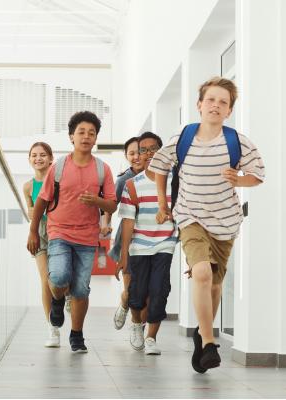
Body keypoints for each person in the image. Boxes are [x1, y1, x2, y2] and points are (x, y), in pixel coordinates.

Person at [149, 77, 265, 372]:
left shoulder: (237, 141)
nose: (216, 105)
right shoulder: (183, 137)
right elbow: (159, 168)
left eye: (223, 102)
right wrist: (164, 204)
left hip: (225, 222)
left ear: (229, 111)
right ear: (199, 105)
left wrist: (239, 179)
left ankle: (203, 337)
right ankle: (211, 342)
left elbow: (258, 175)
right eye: (211, 100)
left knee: (214, 285)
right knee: (201, 273)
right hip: (190, 217)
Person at [27, 111, 117, 352]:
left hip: (87, 237)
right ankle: (57, 300)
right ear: (71, 137)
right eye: (81, 132)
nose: (86, 136)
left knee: (80, 288)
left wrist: (96, 202)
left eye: (91, 133)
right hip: (58, 232)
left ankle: (76, 335)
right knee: (57, 277)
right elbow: (41, 202)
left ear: (96, 138)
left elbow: (112, 204)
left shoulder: (102, 169)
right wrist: (33, 232)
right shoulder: (58, 168)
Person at [117, 131, 177, 356]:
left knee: (159, 290)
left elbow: (183, 215)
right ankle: (136, 324)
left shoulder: (175, 182)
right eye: (144, 150)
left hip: (165, 243)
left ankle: (151, 337)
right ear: (138, 155)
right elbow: (128, 222)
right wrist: (124, 254)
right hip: (139, 246)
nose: (149, 153)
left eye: (154, 149)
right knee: (138, 292)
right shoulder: (132, 185)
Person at [22, 142, 58, 347]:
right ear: (29, 159)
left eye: (43, 155)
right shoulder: (27, 186)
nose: (38, 158)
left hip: (59, 230)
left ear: (51, 158)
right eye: (34, 155)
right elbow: (30, 210)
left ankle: (64, 296)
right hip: (40, 233)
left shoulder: (58, 181)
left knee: (59, 279)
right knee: (45, 281)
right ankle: (52, 327)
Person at [109, 136, 145, 330]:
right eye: (131, 153)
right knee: (131, 289)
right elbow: (110, 204)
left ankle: (140, 327)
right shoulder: (124, 179)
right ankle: (125, 305)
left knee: (147, 291)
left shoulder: (158, 177)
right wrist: (105, 223)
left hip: (150, 238)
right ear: (126, 156)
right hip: (128, 239)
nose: (136, 157)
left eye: (140, 152)